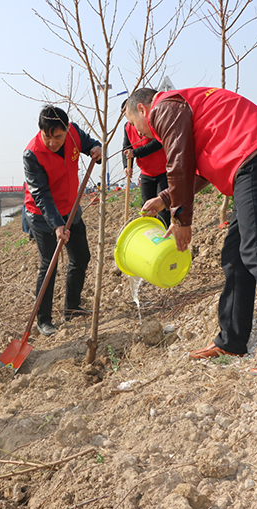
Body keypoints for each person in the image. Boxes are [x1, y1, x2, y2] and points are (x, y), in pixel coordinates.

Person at [125, 87, 257, 374]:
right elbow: (194, 169)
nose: (141, 133)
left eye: (135, 125)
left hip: (256, 159)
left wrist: (180, 221)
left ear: (142, 109)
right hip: (256, 160)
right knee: (235, 256)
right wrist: (165, 199)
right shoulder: (186, 110)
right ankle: (232, 342)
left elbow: (177, 162)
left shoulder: (164, 107)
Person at [23, 105, 102, 336]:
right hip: (42, 214)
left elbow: (90, 144)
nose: (52, 142)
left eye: (58, 136)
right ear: (41, 131)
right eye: (47, 136)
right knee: (50, 264)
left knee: (81, 257)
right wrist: (57, 225)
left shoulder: (74, 133)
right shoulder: (32, 154)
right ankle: (44, 320)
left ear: (67, 130)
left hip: (71, 206)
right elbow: (41, 195)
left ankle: (72, 308)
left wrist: (96, 149)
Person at [121, 100, 170, 226]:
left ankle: (166, 233)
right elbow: (126, 148)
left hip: (163, 171)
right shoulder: (127, 128)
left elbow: (158, 142)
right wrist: (127, 166)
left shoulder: (150, 123)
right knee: (147, 208)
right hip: (146, 174)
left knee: (163, 208)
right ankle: (151, 234)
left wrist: (136, 153)